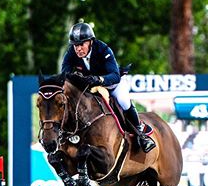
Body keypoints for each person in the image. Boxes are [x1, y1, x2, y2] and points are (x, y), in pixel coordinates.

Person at [61, 22, 156, 153]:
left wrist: (99, 79)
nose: (78, 49)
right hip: (91, 87)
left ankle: (140, 133)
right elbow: (64, 75)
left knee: (123, 101)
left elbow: (115, 75)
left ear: (90, 42)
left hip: (112, 84)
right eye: (75, 45)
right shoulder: (71, 53)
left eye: (81, 44)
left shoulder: (103, 49)